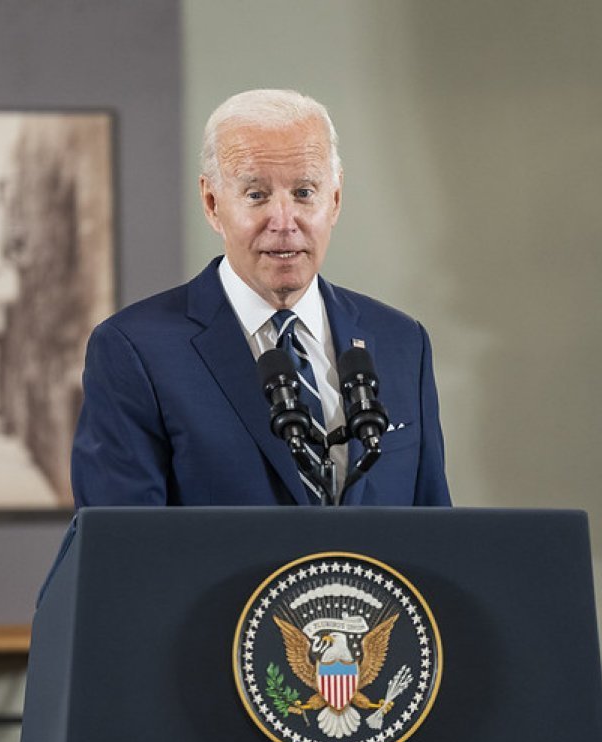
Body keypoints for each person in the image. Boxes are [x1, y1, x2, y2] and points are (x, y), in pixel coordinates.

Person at [71, 89, 450, 507]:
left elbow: (434, 537)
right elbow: (125, 551)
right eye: (256, 195)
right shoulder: (134, 350)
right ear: (212, 203)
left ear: (336, 199)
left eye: (305, 192)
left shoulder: (401, 342)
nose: (284, 222)